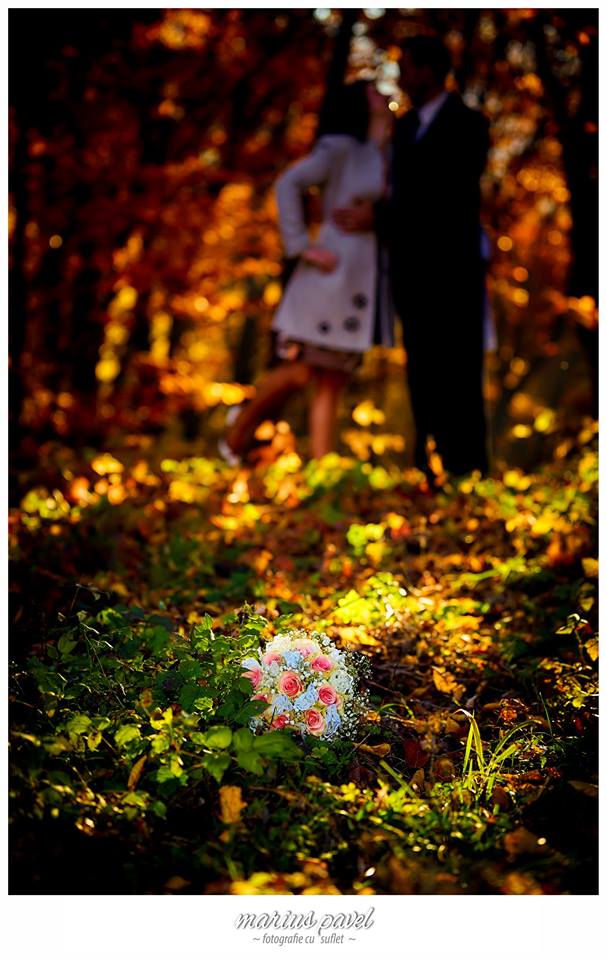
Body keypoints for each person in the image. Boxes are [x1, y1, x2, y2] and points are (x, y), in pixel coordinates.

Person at [334, 34, 490, 476]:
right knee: (421, 368)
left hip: (454, 269)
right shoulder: (402, 131)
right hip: (410, 271)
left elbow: (447, 195)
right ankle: (429, 467)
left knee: (460, 370)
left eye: (408, 67)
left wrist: (381, 218)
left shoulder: (469, 125)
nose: (402, 76)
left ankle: (471, 471)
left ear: (429, 70)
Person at [222, 80, 394, 463]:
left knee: (332, 379)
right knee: (302, 370)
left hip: (362, 277)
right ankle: (236, 435)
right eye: (373, 92)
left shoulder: (387, 153)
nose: (383, 95)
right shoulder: (339, 148)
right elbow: (289, 183)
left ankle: (321, 469)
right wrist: (300, 245)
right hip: (330, 273)